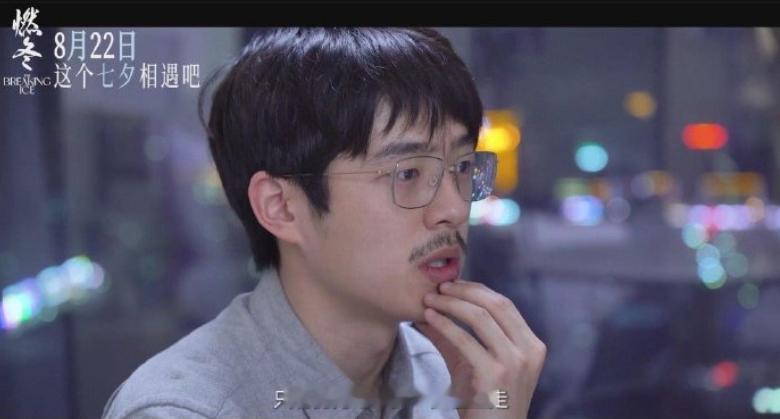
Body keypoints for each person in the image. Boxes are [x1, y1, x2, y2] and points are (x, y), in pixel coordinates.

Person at [102, 27, 545, 419]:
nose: (453, 208)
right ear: (281, 207)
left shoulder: (451, 377)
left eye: (463, 167)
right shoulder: (184, 409)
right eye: (408, 173)